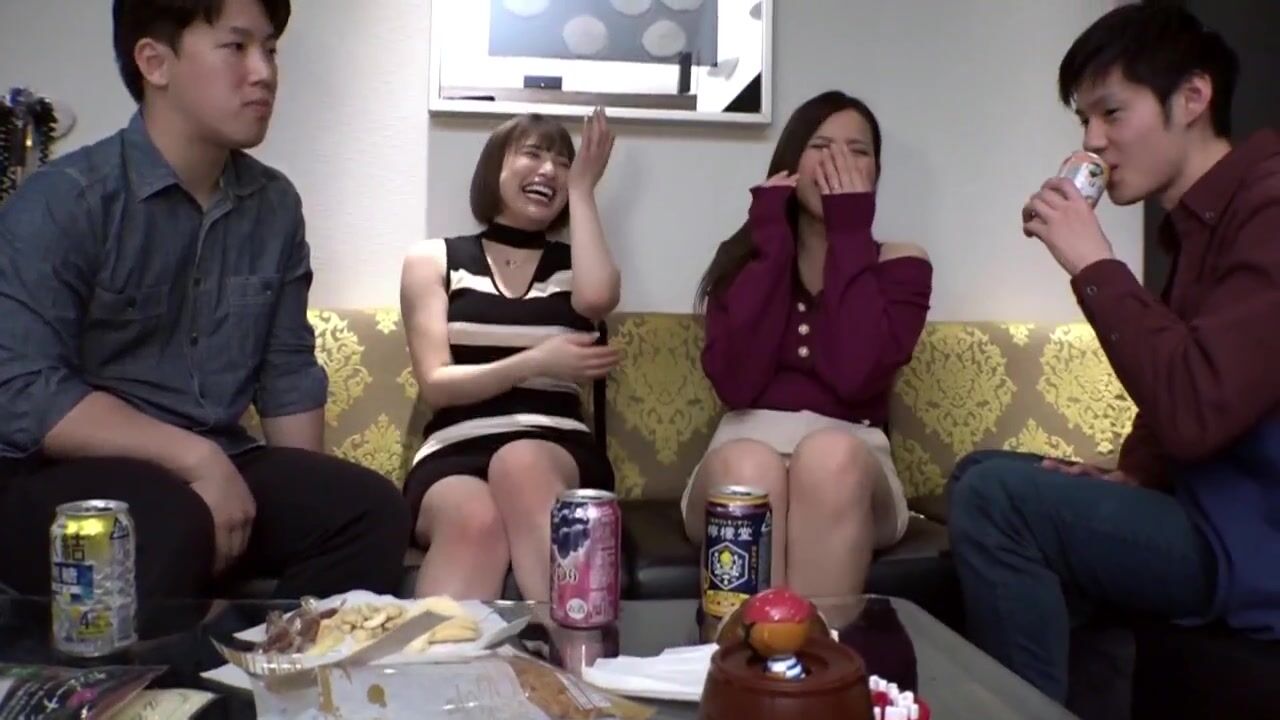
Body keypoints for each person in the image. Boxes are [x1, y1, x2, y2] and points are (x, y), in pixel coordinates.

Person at [0, 0, 411, 609]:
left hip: (219, 464)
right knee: (168, 521)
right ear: (155, 62)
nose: (264, 72)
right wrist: (197, 459)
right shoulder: (65, 201)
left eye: (270, 49)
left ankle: (277, 662)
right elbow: (24, 390)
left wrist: (306, 494)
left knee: (367, 508)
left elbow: (287, 374)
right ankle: (178, 675)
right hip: (61, 479)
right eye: (236, 47)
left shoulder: (274, 206)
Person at [948, 3, 1280, 703]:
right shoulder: (1202, 223)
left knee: (996, 499)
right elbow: (1193, 378)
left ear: (1192, 98)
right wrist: (1136, 475)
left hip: (1252, 541)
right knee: (980, 470)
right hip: (1210, 512)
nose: (1092, 141)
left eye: (1112, 113)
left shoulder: (1269, 207)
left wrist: (1094, 265)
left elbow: (1197, 407)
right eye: (1083, 120)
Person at [685, 91, 933, 598]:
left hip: (853, 458)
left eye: (857, 151)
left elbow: (857, 375)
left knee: (829, 458)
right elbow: (737, 384)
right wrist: (772, 244)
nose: (838, 162)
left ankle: (817, 649)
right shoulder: (744, 261)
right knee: (750, 464)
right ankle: (745, 648)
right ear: (791, 164)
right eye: (820, 147)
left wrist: (850, 232)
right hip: (741, 450)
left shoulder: (901, 262)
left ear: (876, 173)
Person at [400, 109, 621, 602]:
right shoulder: (433, 259)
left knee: (519, 462)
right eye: (533, 154)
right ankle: (441, 654)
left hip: (554, 448)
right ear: (494, 167)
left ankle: (578, 642)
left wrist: (583, 190)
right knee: (475, 519)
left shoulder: (575, 265)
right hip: (456, 450)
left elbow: (599, 298)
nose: (549, 170)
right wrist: (536, 362)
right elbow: (436, 383)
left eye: (563, 163)